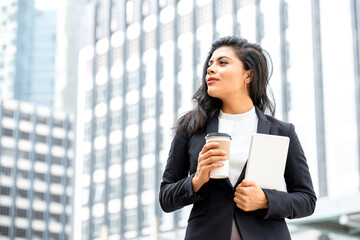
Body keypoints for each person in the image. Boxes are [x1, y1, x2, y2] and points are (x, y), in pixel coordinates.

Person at [159, 36, 316, 240]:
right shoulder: (192, 128)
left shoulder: (282, 131)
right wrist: (196, 180)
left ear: (248, 75)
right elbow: (165, 197)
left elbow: (307, 200)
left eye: (222, 62)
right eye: (210, 64)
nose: (211, 69)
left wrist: (266, 200)